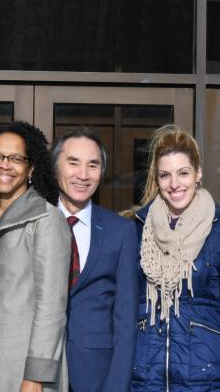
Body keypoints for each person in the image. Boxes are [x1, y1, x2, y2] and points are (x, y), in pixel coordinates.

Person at [0, 121, 71, 392]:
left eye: (16, 158)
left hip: (23, 371)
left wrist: (35, 377)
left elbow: (51, 308)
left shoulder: (46, 218)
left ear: (31, 168)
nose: (4, 165)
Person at [130, 124, 220, 392]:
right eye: (165, 175)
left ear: (198, 174)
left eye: (183, 173)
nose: (174, 184)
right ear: (157, 179)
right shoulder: (137, 230)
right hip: (146, 378)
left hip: (207, 380)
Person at [51, 127, 138, 392]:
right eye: (73, 163)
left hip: (96, 375)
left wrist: (116, 386)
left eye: (93, 165)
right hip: (38, 371)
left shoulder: (120, 231)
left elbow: (126, 320)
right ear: (56, 167)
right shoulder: (36, 222)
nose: (83, 175)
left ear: (102, 173)